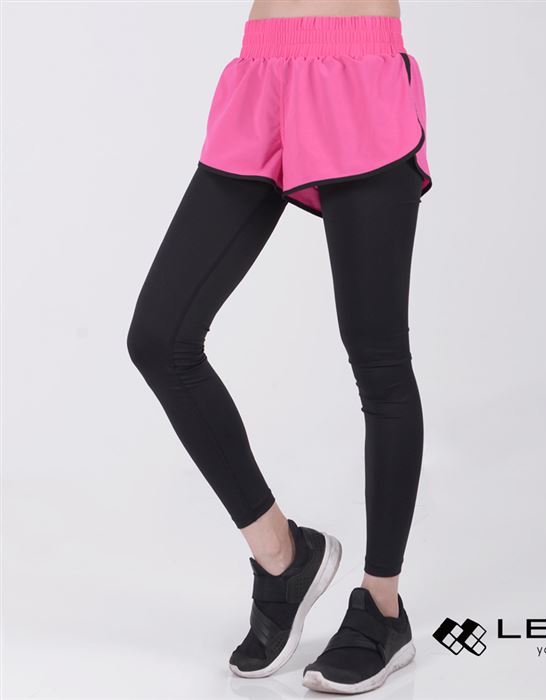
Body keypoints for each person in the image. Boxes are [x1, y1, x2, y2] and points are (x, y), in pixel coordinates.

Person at [126, 0, 432, 693]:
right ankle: (282, 557)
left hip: (360, 71)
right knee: (160, 338)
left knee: (378, 357)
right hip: (263, 70)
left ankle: (382, 609)